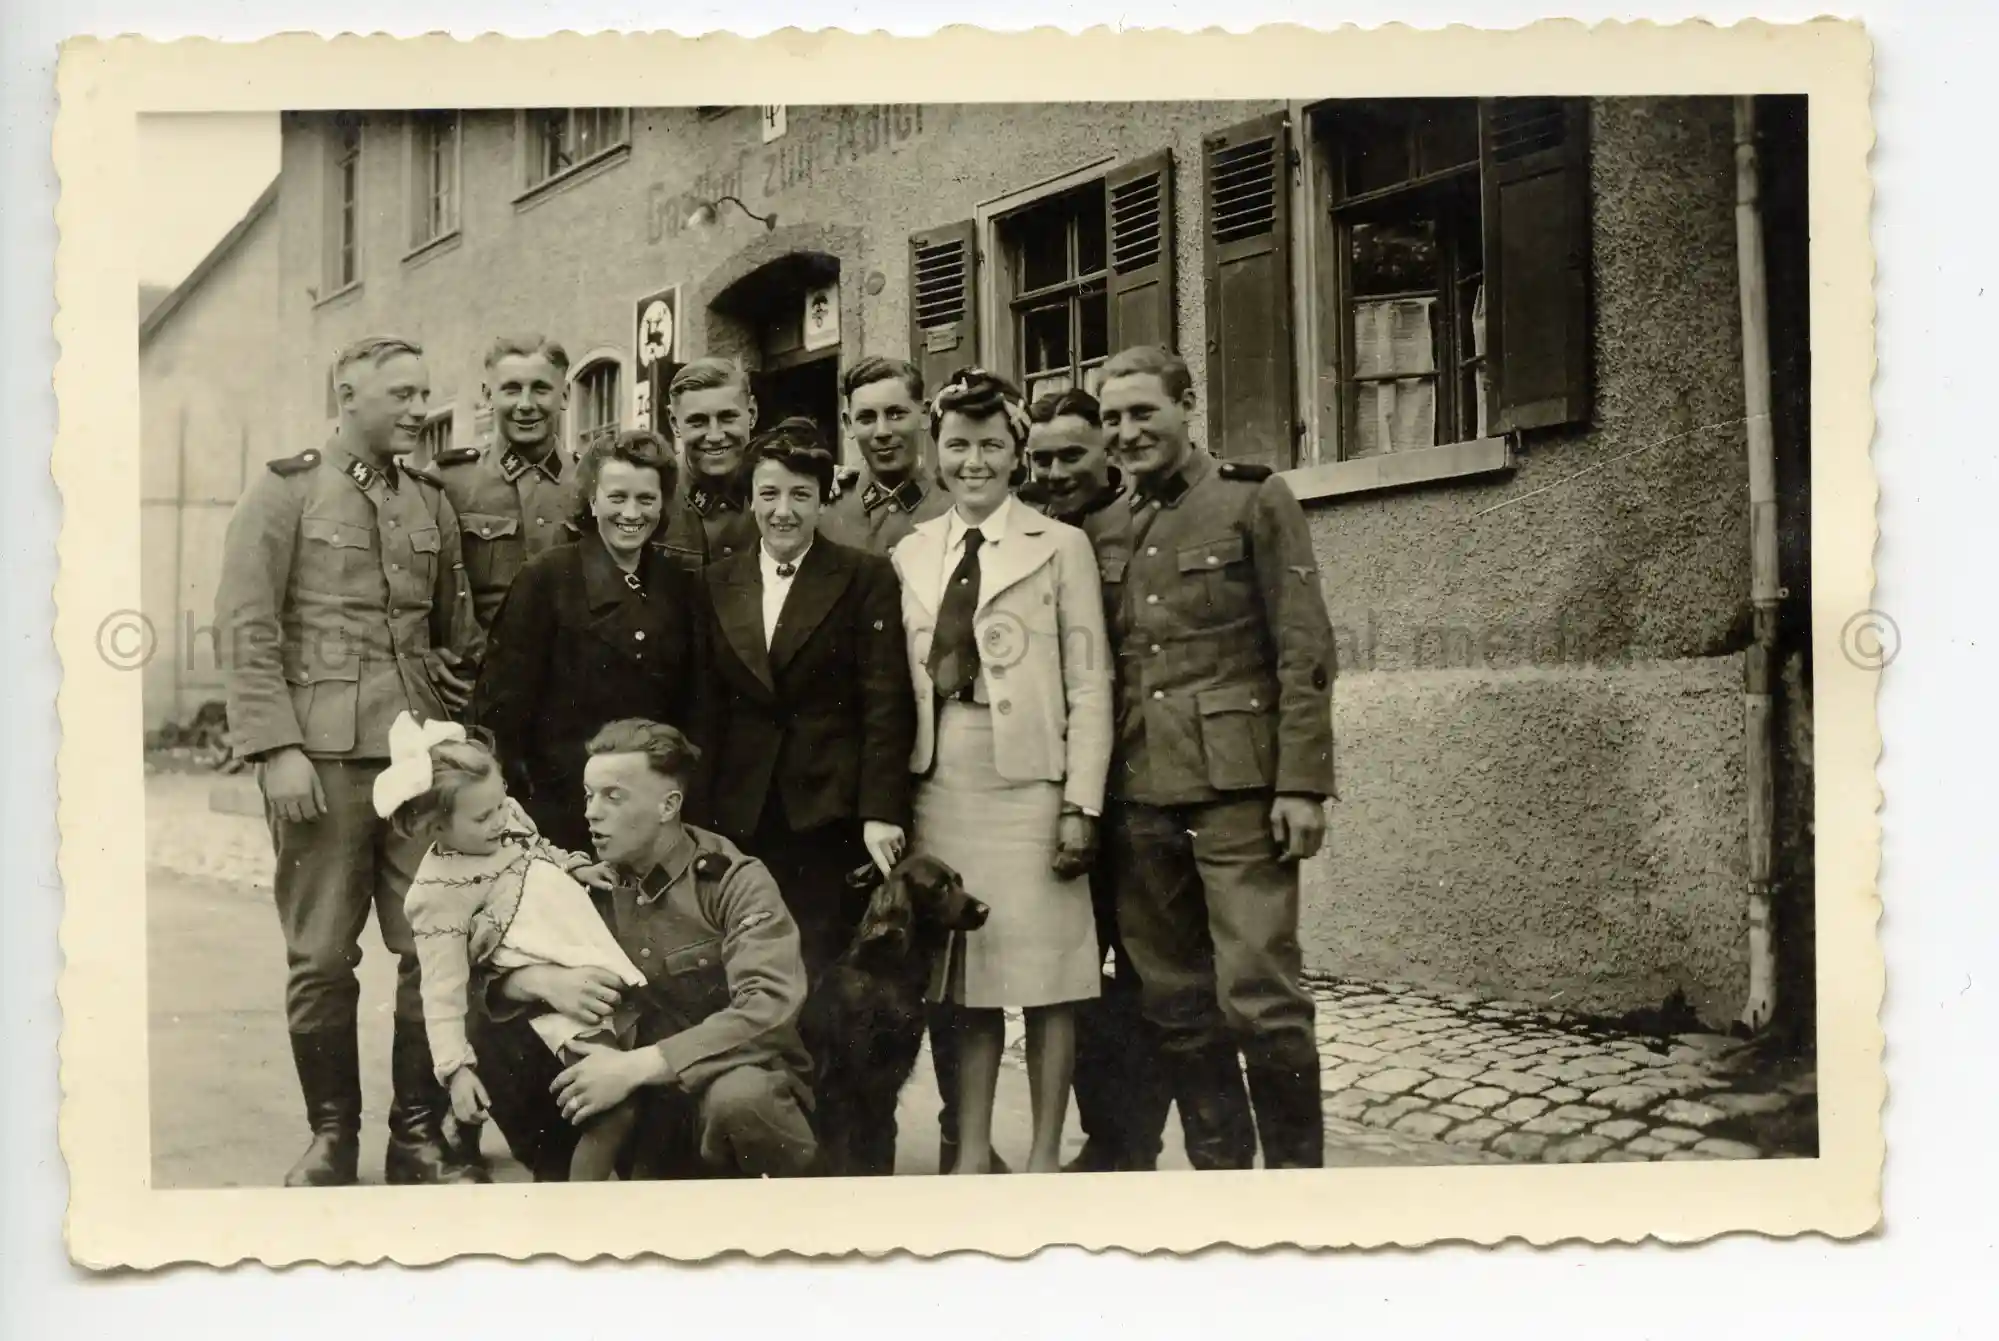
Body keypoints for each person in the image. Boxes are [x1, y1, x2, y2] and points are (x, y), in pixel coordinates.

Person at [214, 333, 487, 1187]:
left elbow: (457, 634)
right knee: (323, 955)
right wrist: (274, 746)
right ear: (348, 392)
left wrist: (460, 735)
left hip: (419, 764)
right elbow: (246, 626)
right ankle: (332, 1136)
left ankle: (415, 1137)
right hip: (321, 764)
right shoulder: (286, 492)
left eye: (424, 393)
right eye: (401, 393)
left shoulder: (429, 501)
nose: (417, 409)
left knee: (434, 941)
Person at [1095, 345, 1337, 1170]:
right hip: (1141, 794)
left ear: (1185, 404)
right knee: (1174, 1001)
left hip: (1239, 789)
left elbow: (1303, 645)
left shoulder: (1253, 497)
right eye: (1111, 419)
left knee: (1260, 993)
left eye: (1141, 412)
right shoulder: (1110, 524)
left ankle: (1298, 1196)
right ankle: (1223, 1185)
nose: (1125, 432)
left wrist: (1302, 782)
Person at [890, 367, 1113, 1174]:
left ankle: (1047, 1154)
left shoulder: (1061, 546)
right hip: (942, 778)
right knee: (965, 979)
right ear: (936, 452)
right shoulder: (911, 551)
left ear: (1018, 452)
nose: (973, 461)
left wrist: (1079, 802)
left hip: (1029, 784)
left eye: (990, 445)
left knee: (1049, 973)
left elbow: (1090, 682)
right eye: (957, 445)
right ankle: (973, 1153)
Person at [476, 719, 819, 1180]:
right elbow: (478, 966)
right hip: (630, 1109)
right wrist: (539, 981)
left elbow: (769, 1008)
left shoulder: (734, 882)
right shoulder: (581, 881)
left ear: (668, 805)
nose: (592, 814)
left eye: (614, 797)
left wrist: (636, 1067)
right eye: (588, 795)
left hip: (710, 1102)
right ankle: (559, 1188)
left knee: (744, 1096)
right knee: (480, 1013)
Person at [693, 416, 915, 987]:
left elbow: (885, 701)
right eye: (768, 494)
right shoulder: (716, 581)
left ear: (822, 501)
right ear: (749, 500)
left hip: (825, 812)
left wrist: (880, 811)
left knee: (820, 968)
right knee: (742, 963)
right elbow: (706, 705)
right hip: (738, 810)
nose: (783, 510)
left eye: (801, 495)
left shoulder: (863, 577)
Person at [376, 713, 645, 1181]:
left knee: (638, 1073)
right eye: (483, 817)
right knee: (612, 1110)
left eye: (502, 804)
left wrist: (576, 868)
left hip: (581, 946)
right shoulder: (437, 895)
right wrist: (456, 1072)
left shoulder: (505, 815)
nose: (501, 820)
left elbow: (536, 848)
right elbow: (441, 992)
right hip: (547, 995)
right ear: (434, 827)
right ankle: (580, 1214)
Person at [1024, 389, 1172, 1174]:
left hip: (1137, 784)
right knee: (1070, 971)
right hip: (1052, 790)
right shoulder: (1026, 533)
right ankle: (1098, 1134)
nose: (1053, 472)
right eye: (1041, 457)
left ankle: (1128, 1141)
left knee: (1138, 970)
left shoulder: (1137, 527)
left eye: (1070, 455)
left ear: (1104, 454)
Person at [472, 429, 703, 854]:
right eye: (616, 497)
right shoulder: (546, 578)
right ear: (592, 500)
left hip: (653, 808)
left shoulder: (679, 584)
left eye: (646, 499)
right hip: (566, 807)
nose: (631, 513)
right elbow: (504, 705)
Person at [435, 334, 583, 636]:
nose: (526, 405)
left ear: (565, 395)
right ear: (488, 396)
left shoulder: (591, 481)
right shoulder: (449, 482)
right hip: (483, 671)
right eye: (511, 390)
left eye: (541, 389)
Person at [819, 356, 952, 555]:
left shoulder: (953, 508)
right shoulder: (825, 512)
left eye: (896, 414)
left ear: (924, 415)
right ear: (848, 424)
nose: (882, 432)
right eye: (867, 418)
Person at [658, 356, 762, 570]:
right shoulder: (654, 492)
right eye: (698, 421)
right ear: (674, 422)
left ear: (751, 413)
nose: (714, 436)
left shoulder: (782, 485)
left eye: (727, 418)